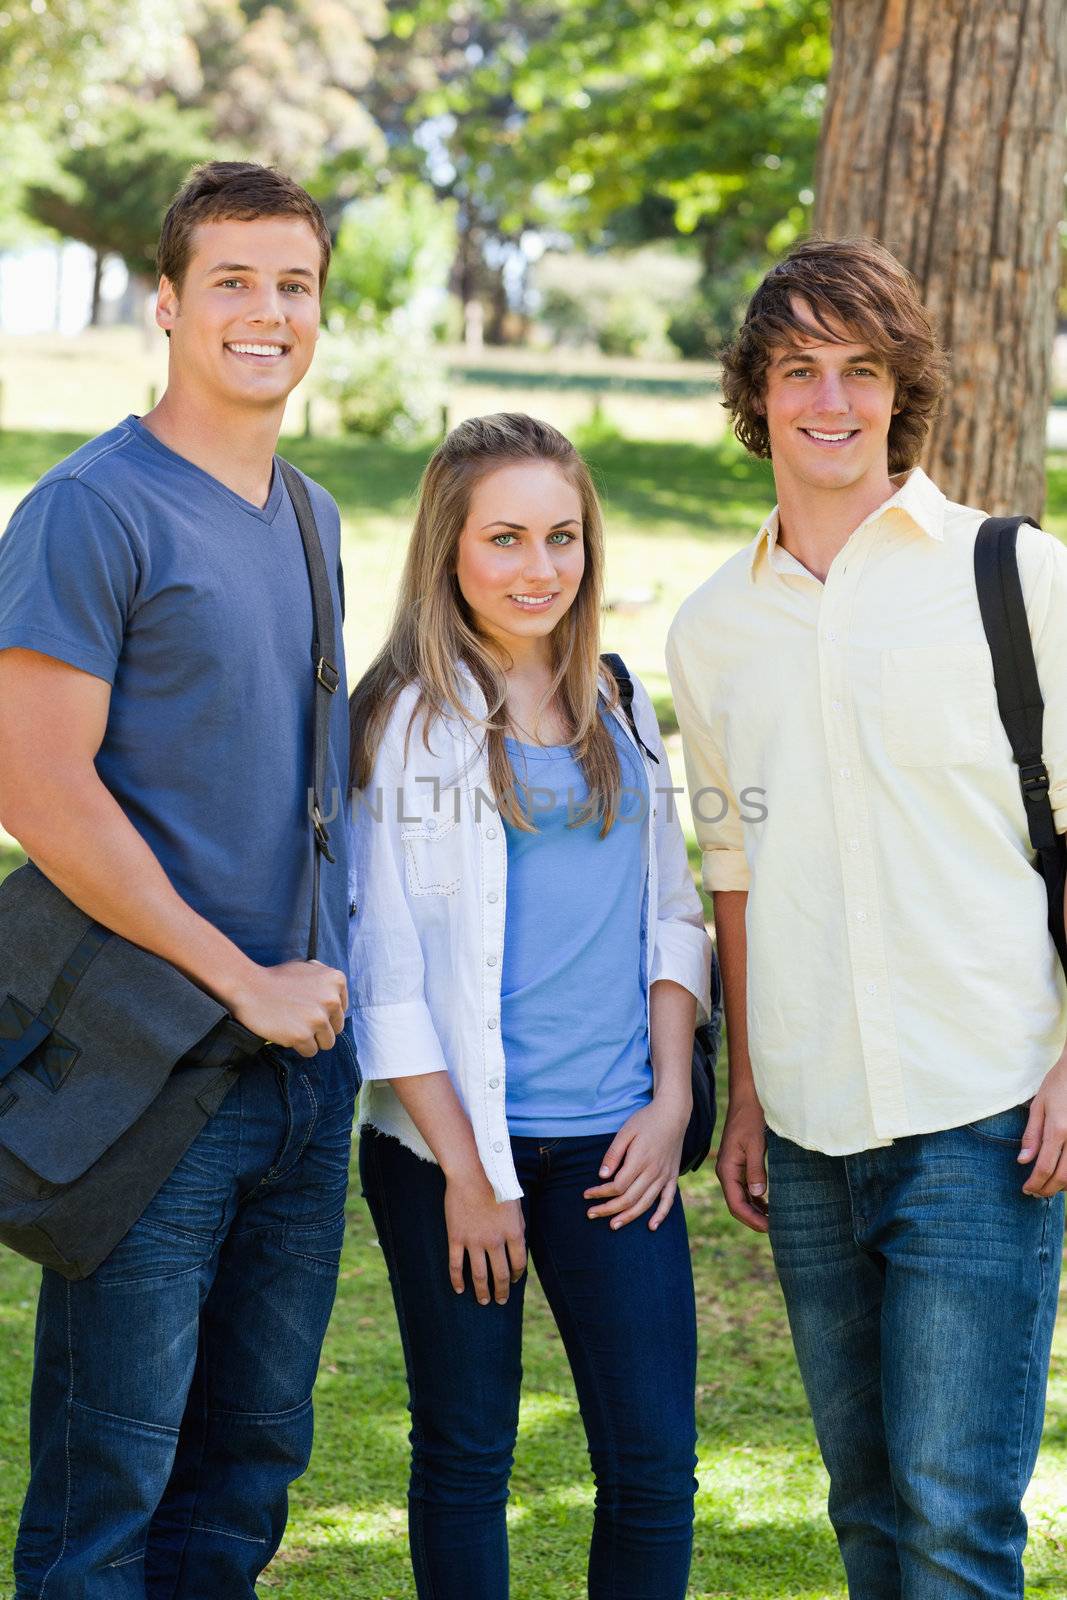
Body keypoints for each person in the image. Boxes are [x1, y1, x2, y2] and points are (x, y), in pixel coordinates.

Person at [667, 237, 1067, 1597]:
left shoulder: (1013, 577)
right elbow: (732, 867)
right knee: (866, 1517)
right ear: (754, 394)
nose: (827, 400)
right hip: (807, 1127)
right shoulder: (713, 626)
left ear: (901, 391)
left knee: (954, 1523)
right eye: (796, 369)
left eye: (859, 369)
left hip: (981, 1107)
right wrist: (744, 1098)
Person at [0, 161, 356, 1599]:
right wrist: (244, 982)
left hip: (300, 1082)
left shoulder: (312, 515)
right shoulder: (92, 511)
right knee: (111, 1492)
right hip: (151, 1073)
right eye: (232, 280)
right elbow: (36, 788)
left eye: (294, 285)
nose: (266, 313)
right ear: (165, 301)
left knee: (246, 1477)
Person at [347, 412, 711, 1600]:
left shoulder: (617, 699)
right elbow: (390, 979)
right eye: (503, 538)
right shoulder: (404, 722)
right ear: (448, 548)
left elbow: (670, 913)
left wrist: (669, 1100)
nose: (536, 567)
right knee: (465, 1455)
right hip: (452, 1158)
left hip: (616, 1146)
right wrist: (469, 1175)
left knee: (652, 1466)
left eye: (561, 537)